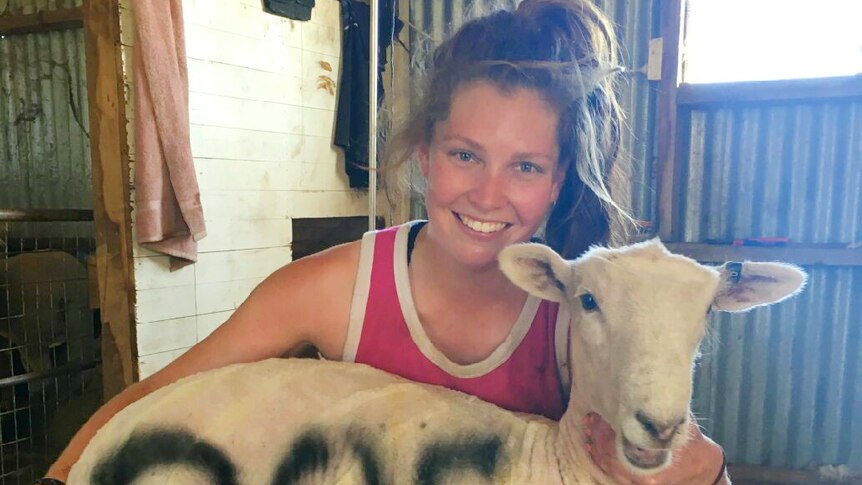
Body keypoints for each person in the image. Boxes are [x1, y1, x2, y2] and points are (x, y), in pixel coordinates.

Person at [43, 0, 727, 483]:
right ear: (425, 155)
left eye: (525, 167)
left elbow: (674, 448)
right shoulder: (331, 289)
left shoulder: (577, 317)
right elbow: (164, 390)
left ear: (556, 184)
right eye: (465, 155)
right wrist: (62, 473)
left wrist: (706, 465)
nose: (488, 195)